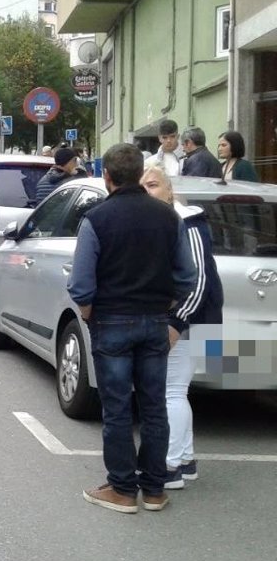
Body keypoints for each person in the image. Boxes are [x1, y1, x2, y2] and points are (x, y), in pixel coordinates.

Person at [68, 143, 196, 514]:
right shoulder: (168, 217)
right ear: (140, 174)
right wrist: (164, 304)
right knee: (154, 407)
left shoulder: (97, 218)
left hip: (111, 322)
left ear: (107, 177)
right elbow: (186, 276)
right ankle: (154, 489)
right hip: (155, 322)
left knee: (118, 409)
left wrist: (90, 311)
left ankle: (123, 489)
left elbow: (80, 285)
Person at [140, 167, 223, 490]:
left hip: (191, 321)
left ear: (170, 191)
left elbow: (198, 280)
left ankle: (169, 466)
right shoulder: (164, 222)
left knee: (170, 391)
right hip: (184, 320)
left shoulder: (186, 223)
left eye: (154, 185)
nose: (147, 191)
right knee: (176, 391)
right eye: (142, 186)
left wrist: (176, 324)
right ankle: (185, 460)